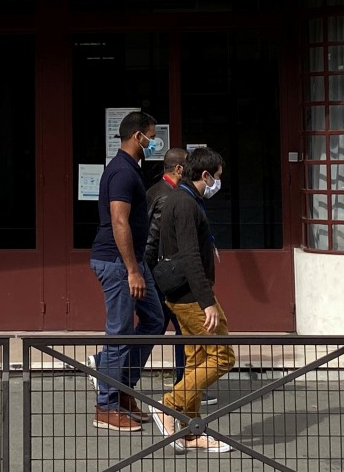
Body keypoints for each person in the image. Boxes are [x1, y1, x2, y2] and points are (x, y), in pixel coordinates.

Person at [148, 146, 233, 453]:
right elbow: (190, 255)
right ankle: (168, 406)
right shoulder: (184, 203)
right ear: (206, 175)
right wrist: (207, 300)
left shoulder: (184, 198)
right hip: (190, 296)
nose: (218, 184)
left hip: (186, 293)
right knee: (222, 357)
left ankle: (189, 431)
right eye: (218, 177)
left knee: (199, 360)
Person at [89, 111, 165, 432]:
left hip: (132, 260)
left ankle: (122, 388)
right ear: (138, 137)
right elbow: (119, 220)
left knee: (154, 319)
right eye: (152, 135)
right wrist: (132, 269)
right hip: (119, 262)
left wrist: (137, 265)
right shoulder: (121, 172)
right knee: (119, 332)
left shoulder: (130, 169)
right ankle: (106, 406)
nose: (154, 141)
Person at [143, 148, 196, 389]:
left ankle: (115, 370)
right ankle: (184, 384)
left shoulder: (157, 190)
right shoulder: (167, 197)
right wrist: (152, 273)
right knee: (184, 327)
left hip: (160, 273)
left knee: (156, 325)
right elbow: (153, 239)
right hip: (165, 274)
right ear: (178, 169)